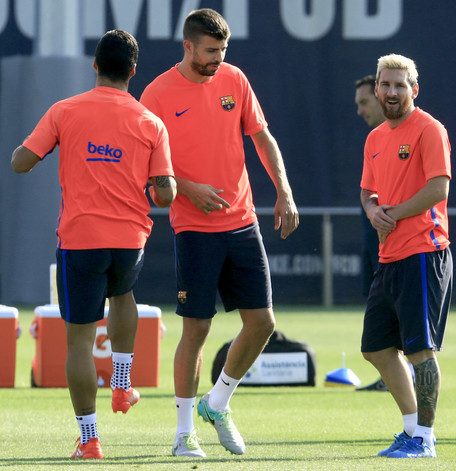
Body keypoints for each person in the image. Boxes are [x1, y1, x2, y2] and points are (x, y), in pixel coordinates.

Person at [140, 8, 299, 458]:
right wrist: (187, 188)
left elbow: (263, 138)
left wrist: (284, 192)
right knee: (197, 329)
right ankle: (183, 433)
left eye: (223, 50)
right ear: (187, 46)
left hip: (243, 221)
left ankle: (218, 403)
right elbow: (149, 170)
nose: (218, 59)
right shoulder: (156, 94)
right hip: (194, 227)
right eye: (211, 51)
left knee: (263, 323)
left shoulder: (234, 79)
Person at [11, 30, 176, 459]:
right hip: (129, 239)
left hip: (81, 238)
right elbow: (166, 194)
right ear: (134, 72)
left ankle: (89, 439)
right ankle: (122, 388)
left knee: (79, 342)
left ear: (95, 66)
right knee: (123, 293)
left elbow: (20, 163)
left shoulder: (65, 110)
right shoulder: (150, 122)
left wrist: (56, 145)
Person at [360, 54, 452, 459]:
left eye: (400, 85)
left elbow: (439, 188)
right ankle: (412, 431)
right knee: (376, 348)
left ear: (415, 89)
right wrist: (372, 209)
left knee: (420, 352)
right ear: (376, 88)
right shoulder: (375, 137)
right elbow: (368, 192)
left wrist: (392, 213)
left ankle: (425, 440)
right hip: (390, 254)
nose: (392, 92)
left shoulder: (429, 129)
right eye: (386, 84)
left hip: (423, 252)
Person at [354, 75, 388, 392]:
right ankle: (391, 376)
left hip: (396, 242)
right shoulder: (374, 140)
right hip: (373, 237)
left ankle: (404, 375)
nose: (360, 110)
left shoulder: (401, 136)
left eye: (364, 102)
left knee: (398, 308)